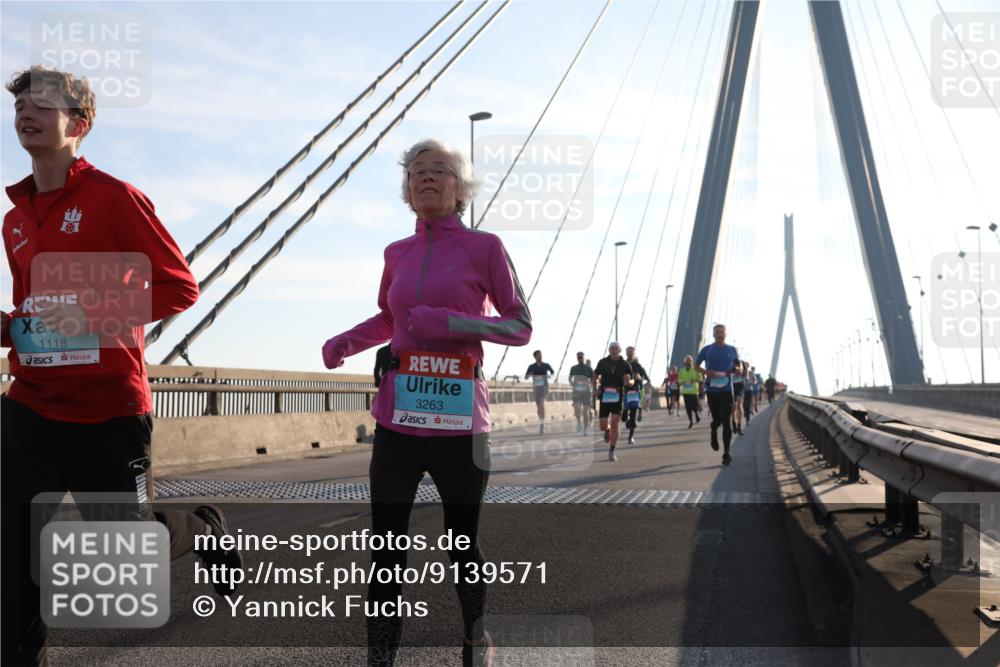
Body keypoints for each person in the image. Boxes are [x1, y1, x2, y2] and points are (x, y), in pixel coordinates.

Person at [1, 66, 241, 667]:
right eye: (21, 104)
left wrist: (89, 308)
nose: (27, 111)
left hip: (108, 407)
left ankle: (201, 528)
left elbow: (179, 288)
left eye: (44, 105)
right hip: (30, 404)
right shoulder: (14, 218)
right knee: (12, 550)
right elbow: (35, 312)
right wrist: (9, 326)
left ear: (79, 125)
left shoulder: (115, 198)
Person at [321, 138, 531, 667]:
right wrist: (348, 340)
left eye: (440, 170)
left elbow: (519, 326)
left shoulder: (485, 247)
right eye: (418, 171)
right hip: (398, 423)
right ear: (407, 190)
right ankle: (380, 659)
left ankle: (474, 637)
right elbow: (391, 320)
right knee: (386, 549)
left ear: (460, 188)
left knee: (462, 547)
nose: (427, 177)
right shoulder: (397, 253)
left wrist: (452, 322)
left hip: (460, 424)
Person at [694, 324, 740, 465]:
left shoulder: (732, 350)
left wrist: (737, 369)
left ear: (726, 334)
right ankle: (713, 429)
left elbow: (737, 365)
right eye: (717, 332)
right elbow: (696, 366)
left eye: (722, 332)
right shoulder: (707, 350)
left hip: (727, 390)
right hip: (712, 391)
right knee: (717, 420)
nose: (720, 334)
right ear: (714, 334)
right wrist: (706, 372)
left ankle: (726, 453)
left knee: (726, 421)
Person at [594, 342, 633, 461]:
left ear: (620, 350)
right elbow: (595, 376)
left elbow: (632, 381)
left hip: (618, 396)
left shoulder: (625, 364)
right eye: (612, 348)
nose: (614, 350)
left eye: (616, 348)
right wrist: (595, 388)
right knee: (603, 425)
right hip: (605, 396)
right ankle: (607, 430)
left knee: (615, 422)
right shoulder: (602, 362)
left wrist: (628, 382)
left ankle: (612, 450)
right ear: (609, 350)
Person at [525, 350, 554, 434]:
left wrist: (550, 375)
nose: (540, 356)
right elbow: (526, 377)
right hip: (536, 388)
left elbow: (552, 372)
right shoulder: (531, 366)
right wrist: (529, 375)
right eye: (538, 355)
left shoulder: (546, 365)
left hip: (544, 387)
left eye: (541, 355)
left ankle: (542, 425)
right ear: (535, 357)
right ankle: (541, 421)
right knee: (538, 408)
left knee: (541, 403)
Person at [568, 351, 594, 435]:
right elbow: (570, 377)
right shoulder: (573, 368)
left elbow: (594, 379)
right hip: (577, 392)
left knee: (585, 412)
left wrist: (589, 383)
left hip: (586, 392)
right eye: (578, 358)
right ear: (577, 359)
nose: (580, 359)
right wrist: (571, 383)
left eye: (581, 357)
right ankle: (579, 422)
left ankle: (585, 430)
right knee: (577, 410)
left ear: (584, 358)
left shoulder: (588, 368)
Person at [678, 355, 702, 428]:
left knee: (695, 406)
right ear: (685, 362)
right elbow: (678, 380)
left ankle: (697, 414)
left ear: (692, 361)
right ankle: (691, 421)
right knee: (688, 407)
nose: (688, 362)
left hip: (694, 391)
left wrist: (694, 380)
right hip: (685, 392)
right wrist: (681, 382)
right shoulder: (681, 370)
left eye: (689, 361)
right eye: (687, 361)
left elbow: (700, 379)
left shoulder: (695, 369)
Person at [731, 359, 745, 435]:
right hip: (732, 387)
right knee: (733, 407)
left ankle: (739, 426)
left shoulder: (741, 368)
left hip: (740, 387)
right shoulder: (730, 366)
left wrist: (743, 373)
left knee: (739, 406)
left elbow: (745, 372)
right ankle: (733, 422)